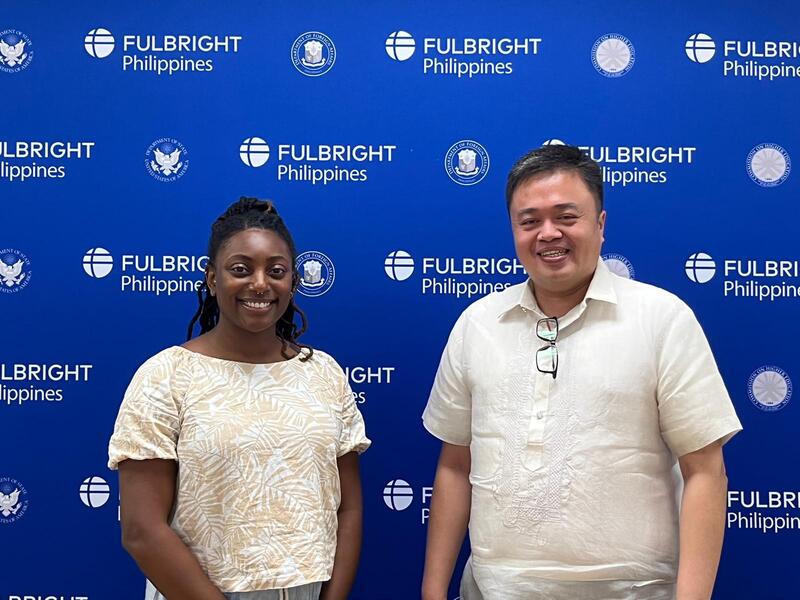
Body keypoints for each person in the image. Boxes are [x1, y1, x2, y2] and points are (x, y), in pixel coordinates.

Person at [420, 145, 742, 600]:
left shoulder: (662, 318)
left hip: (634, 589)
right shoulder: (477, 324)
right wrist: (433, 590)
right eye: (529, 221)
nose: (548, 233)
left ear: (601, 225)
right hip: (495, 588)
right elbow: (455, 465)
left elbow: (706, 472)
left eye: (566, 217)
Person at [108, 197, 370, 600]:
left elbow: (348, 509)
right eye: (241, 269)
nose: (260, 284)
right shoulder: (165, 376)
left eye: (276, 271)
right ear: (213, 279)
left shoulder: (323, 373)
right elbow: (142, 530)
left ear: (293, 282)